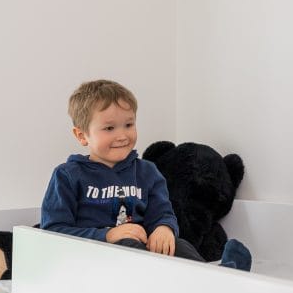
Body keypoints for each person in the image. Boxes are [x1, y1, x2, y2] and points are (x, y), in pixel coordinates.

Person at [41, 79, 251, 270]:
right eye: (109, 128)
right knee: (128, 247)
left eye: (129, 125)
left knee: (178, 245)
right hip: (94, 260)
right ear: (82, 135)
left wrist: (163, 228)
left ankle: (219, 277)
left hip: (142, 249)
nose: (122, 135)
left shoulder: (147, 172)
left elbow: (162, 212)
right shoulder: (68, 175)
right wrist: (106, 235)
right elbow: (52, 231)